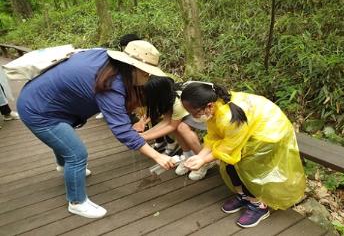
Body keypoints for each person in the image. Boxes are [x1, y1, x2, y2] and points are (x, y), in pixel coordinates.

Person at [16, 40, 175, 219]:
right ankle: (77, 202)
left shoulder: (105, 57)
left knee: (66, 144)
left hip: (43, 99)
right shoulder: (111, 83)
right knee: (76, 155)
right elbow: (122, 131)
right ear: (132, 67)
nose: (147, 76)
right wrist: (157, 156)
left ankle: (64, 166)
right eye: (145, 71)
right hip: (39, 111)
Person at [181, 82, 306, 228]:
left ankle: (259, 206)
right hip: (250, 128)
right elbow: (214, 137)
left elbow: (227, 149)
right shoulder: (216, 106)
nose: (192, 116)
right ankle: (245, 196)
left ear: (209, 106)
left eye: (194, 113)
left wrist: (204, 160)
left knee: (246, 168)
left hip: (269, 132)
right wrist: (200, 156)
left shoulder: (229, 118)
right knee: (230, 165)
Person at [140, 76, 215, 180]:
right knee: (180, 126)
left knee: (181, 127)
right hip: (196, 114)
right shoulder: (170, 96)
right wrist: (142, 135)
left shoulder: (178, 102)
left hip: (208, 116)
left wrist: (144, 138)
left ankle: (203, 160)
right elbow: (166, 121)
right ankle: (188, 156)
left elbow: (171, 126)